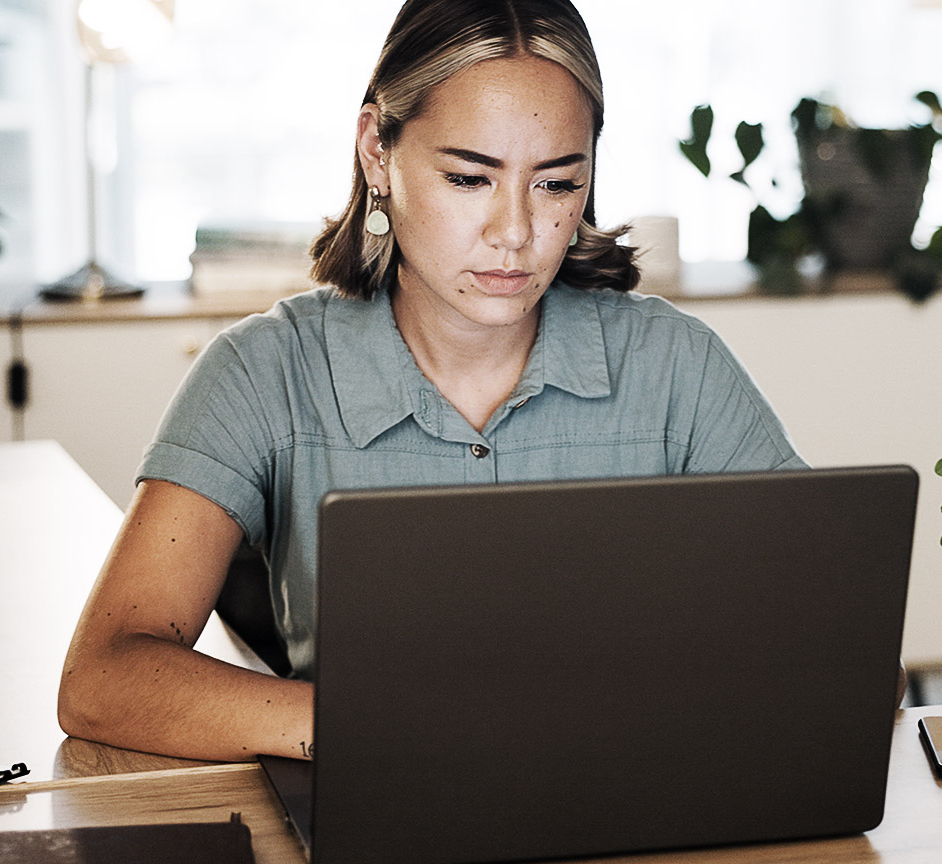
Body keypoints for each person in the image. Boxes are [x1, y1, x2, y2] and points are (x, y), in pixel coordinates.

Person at [59, 0, 824, 764]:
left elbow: (845, 654)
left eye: (557, 185)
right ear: (376, 153)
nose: (516, 232)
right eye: (468, 177)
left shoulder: (676, 366)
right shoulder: (263, 373)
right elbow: (103, 676)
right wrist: (399, 726)